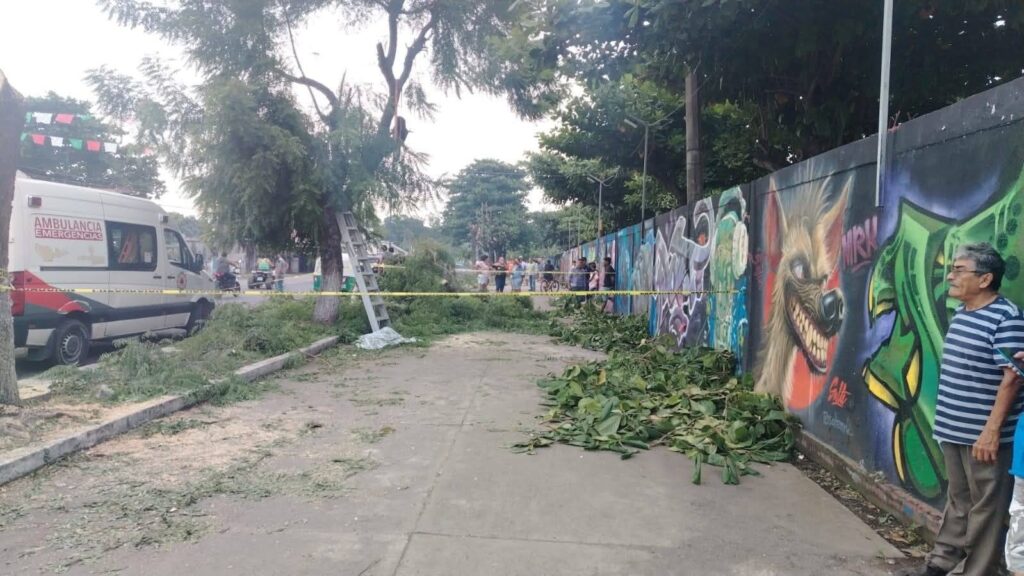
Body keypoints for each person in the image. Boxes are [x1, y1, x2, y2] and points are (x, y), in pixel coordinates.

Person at [900, 242, 1024, 576]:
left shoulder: (1006, 318)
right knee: (958, 501)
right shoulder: (963, 313)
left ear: (985, 279)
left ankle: (978, 571)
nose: (950, 276)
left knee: (986, 509)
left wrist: (991, 432)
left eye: (959, 270)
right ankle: (941, 564)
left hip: (984, 436)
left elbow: (1013, 379)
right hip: (953, 429)